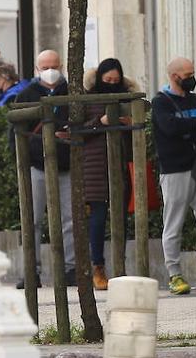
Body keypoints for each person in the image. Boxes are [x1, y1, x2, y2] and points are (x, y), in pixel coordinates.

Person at [151, 56, 196, 296]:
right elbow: (170, 128)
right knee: (173, 224)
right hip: (174, 171)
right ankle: (174, 274)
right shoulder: (160, 102)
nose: (192, 78)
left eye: (193, 72)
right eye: (187, 74)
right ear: (174, 76)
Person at [15, 49, 75, 286]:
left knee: (70, 219)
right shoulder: (27, 94)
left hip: (66, 166)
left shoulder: (71, 92)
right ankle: (32, 271)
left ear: (61, 66)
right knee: (32, 219)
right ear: (37, 69)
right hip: (36, 167)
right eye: (45, 66)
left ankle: (71, 270)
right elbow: (17, 131)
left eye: (54, 65)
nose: (51, 70)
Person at [81, 59, 134, 291]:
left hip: (120, 167)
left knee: (120, 219)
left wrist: (130, 124)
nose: (112, 84)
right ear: (99, 78)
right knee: (97, 220)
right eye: (107, 80)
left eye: (116, 80)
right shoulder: (88, 99)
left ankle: (120, 266)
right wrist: (100, 122)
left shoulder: (128, 100)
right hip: (93, 169)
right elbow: (77, 130)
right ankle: (98, 267)